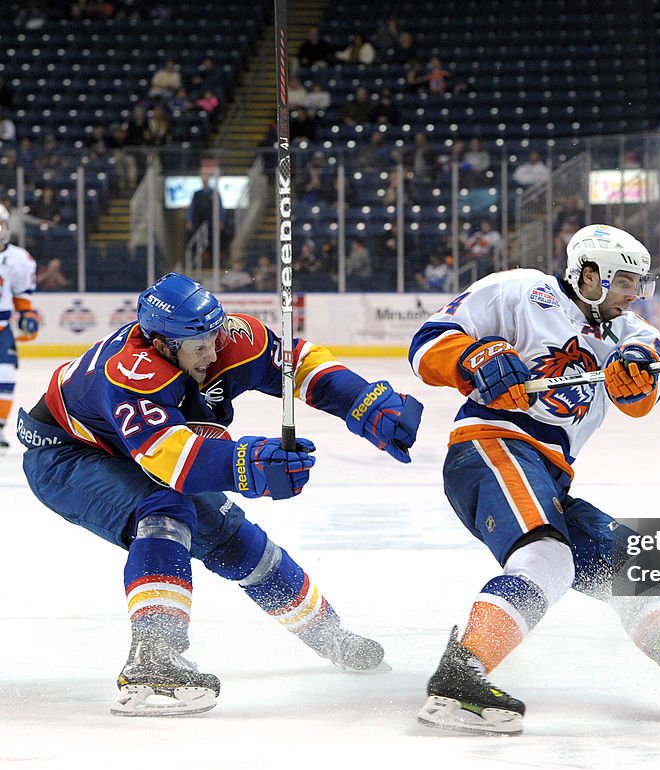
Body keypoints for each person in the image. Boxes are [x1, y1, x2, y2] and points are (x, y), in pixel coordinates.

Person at [16, 272, 423, 716]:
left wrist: (360, 401)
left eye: (215, 336)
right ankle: (154, 659)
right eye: (199, 346)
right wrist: (246, 464)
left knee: (235, 540)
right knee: (164, 508)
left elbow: (297, 363)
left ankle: (330, 635)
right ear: (161, 344)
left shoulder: (227, 338)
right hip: (65, 453)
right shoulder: (131, 372)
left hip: (130, 445)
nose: (212, 353)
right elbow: (168, 460)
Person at [408, 224, 660, 734]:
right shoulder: (520, 290)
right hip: (492, 442)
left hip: (552, 474)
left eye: (639, 284)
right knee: (548, 556)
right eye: (625, 281)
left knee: (637, 567)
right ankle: (459, 677)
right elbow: (427, 346)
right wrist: (474, 358)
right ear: (589, 275)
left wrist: (633, 375)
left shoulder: (634, 333)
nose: (634, 294)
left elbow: (639, 400)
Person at [0, 204, 40, 450]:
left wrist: (27, 313)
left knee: (5, 377)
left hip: (2, 328)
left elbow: (21, 295)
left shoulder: (19, 259)